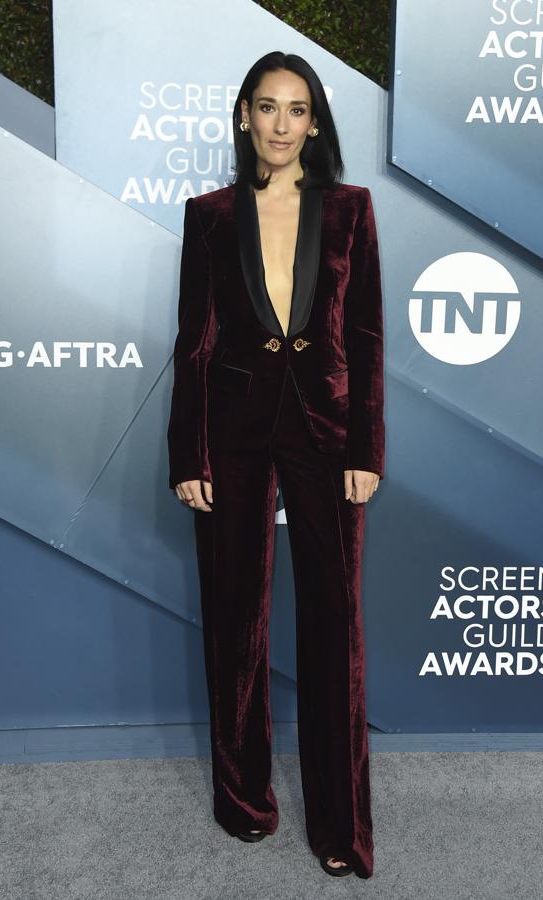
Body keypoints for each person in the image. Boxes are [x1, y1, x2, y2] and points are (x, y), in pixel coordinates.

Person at [167, 51, 385, 880]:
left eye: (297, 110)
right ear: (245, 119)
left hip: (328, 433)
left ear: (316, 123)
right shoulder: (210, 215)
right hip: (231, 430)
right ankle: (244, 799)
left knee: (336, 628)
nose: (282, 124)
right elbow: (193, 343)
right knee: (235, 621)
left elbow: (364, 336)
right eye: (267, 108)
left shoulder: (354, 211)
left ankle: (340, 823)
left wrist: (365, 448)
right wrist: (189, 450)